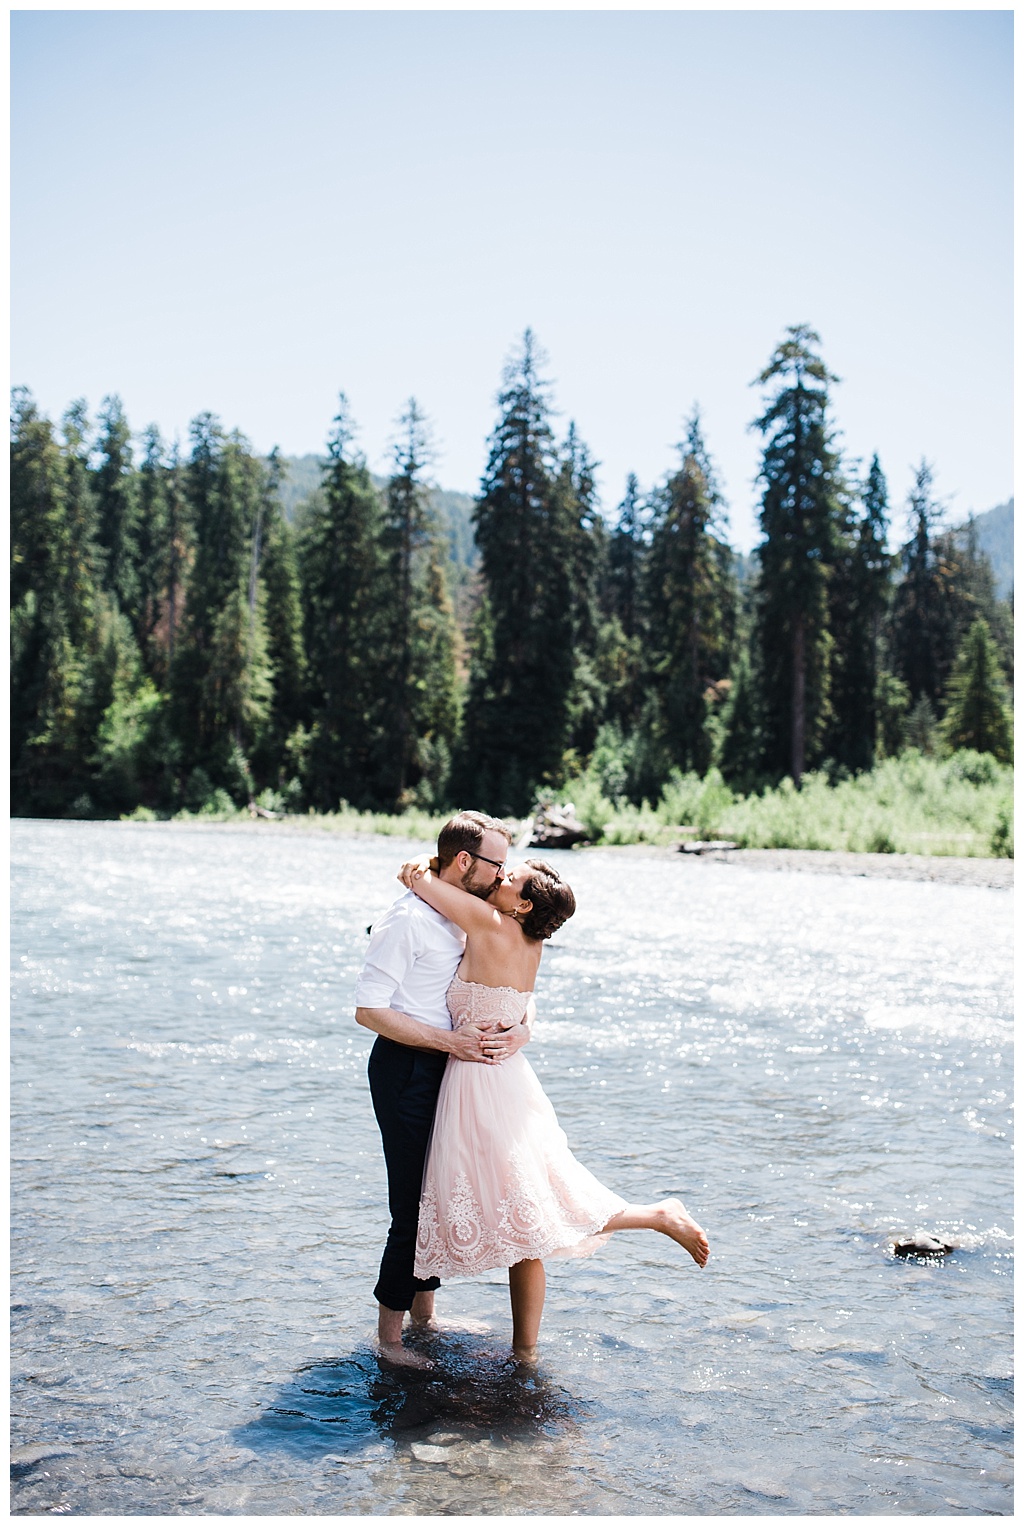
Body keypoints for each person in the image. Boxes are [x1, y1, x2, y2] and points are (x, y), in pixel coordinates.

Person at [397, 852, 710, 1364]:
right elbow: (521, 1002)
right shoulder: (531, 941)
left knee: (518, 1214)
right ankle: (522, 1354)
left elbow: (422, 881)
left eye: (510, 876)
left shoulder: (489, 921)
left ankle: (658, 1215)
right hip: (508, 1082)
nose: (500, 874)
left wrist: (420, 864)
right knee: (527, 1217)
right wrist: (525, 1028)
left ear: (521, 904)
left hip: (481, 1085)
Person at [354, 810, 531, 1369]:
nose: (503, 876)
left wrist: (520, 1029)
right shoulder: (406, 920)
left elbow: (511, 987)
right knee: (410, 1202)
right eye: (496, 865)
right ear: (464, 862)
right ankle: (389, 1339)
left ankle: (425, 1316)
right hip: (405, 1066)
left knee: (435, 1195)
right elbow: (369, 1011)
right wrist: (449, 1042)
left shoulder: (464, 916)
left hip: (445, 1066)